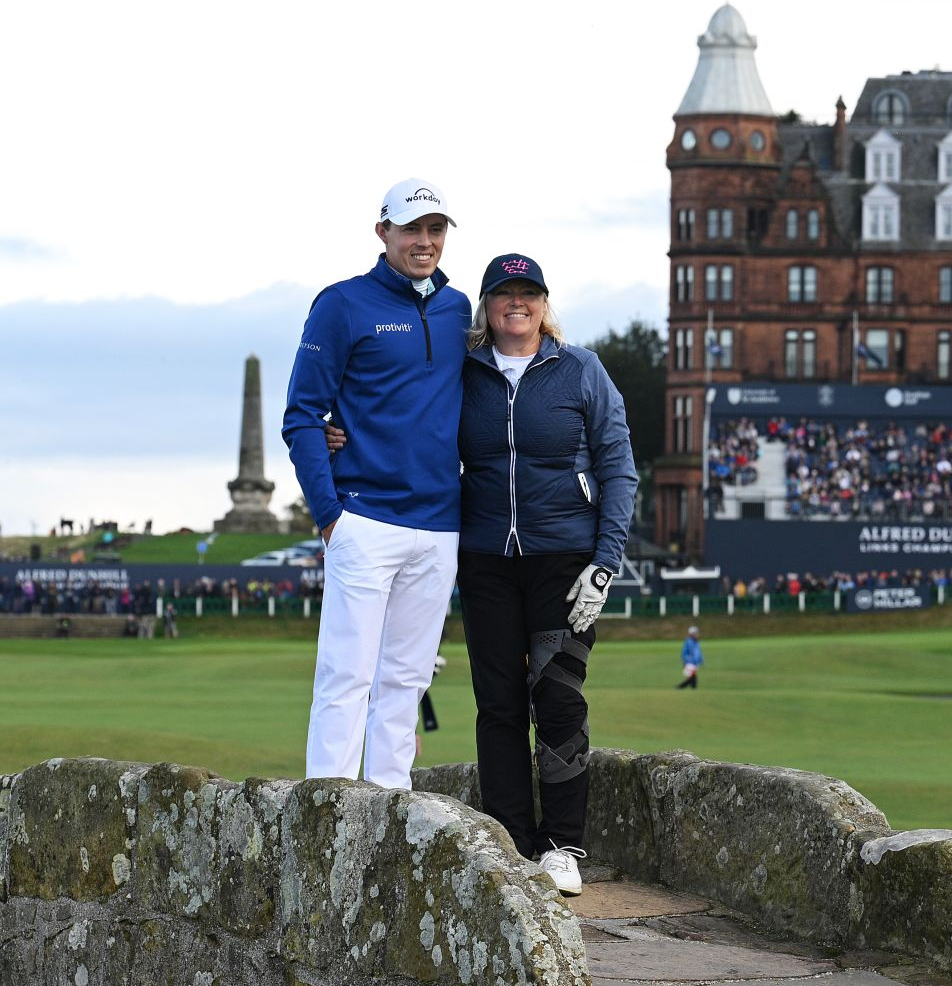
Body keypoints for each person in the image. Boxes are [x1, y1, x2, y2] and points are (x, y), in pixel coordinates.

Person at [452, 253, 637, 897]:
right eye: (505, 294)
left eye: (528, 294)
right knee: (498, 704)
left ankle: (561, 846)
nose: (517, 304)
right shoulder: (464, 371)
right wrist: (340, 434)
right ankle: (508, 840)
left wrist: (605, 562)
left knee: (557, 698)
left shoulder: (580, 369)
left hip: (564, 560)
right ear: (487, 305)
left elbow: (619, 465)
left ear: (543, 303)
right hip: (485, 562)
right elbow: (408, 427)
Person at [282, 178, 468, 790]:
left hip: (440, 526)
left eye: (434, 229)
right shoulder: (342, 304)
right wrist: (329, 513)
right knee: (346, 676)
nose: (424, 241)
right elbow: (303, 415)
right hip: (362, 518)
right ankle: (326, 821)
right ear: (383, 231)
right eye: (411, 229)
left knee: (406, 681)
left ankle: (392, 813)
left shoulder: (458, 308)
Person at [677, 624, 703, 689]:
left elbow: (698, 653)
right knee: (693, 677)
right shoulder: (688, 642)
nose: (697, 635)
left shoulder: (696, 642)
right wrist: (687, 661)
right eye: (695, 633)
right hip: (690, 662)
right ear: (691, 634)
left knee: (693, 678)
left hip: (695, 663)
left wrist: (701, 660)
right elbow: (684, 653)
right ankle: (680, 687)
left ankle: (681, 687)